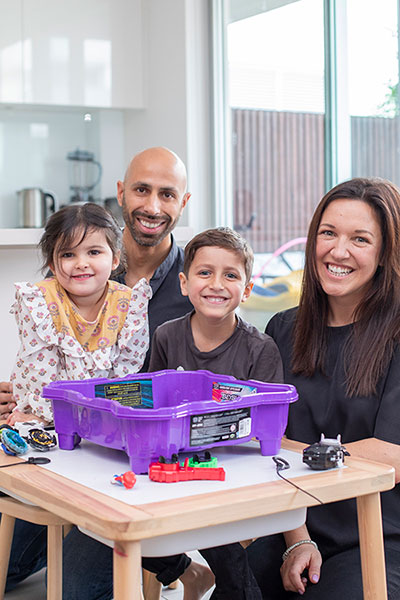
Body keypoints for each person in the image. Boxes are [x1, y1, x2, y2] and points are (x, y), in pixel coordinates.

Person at [246, 177, 400, 599]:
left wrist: (298, 457)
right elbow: (267, 440)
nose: (338, 251)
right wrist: (298, 537)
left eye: (360, 239)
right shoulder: (283, 328)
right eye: (328, 233)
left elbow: (392, 453)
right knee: (238, 582)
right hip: (294, 522)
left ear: (386, 253)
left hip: (380, 534)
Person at [148, 226, 283, 600]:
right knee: (127, 531)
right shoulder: (165, 336)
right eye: (205, 272)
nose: (216, 284)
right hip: (173, 469)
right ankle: (188, 573)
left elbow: (267, 430)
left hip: (232, 476)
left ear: (248, 289)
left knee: (234, 573)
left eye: (231, 275)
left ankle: (233, 586)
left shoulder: (262, 349)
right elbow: (152, 403)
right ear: (183, 283)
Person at [6, 203, 150, 427]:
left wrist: (105, 412)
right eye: (68, 254)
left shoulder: (129, 304)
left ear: (114, 258)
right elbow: (40, 373)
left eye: (94, 252)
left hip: (103, 416)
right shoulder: (38, 302)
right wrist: (45, 416)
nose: (81, 263)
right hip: (44, 413)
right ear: (52, 264)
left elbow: (127, 369)